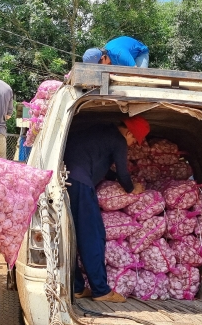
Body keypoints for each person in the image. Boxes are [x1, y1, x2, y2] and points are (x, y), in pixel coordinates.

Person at [62, 115, 151, 302]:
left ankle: (77, 287)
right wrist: (132, 188)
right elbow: (123, 173)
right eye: (134, 139)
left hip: (65, 180)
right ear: (128, 132)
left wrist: (116, 178)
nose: (133, 143)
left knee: (70, 236)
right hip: (80, 184)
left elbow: (104, 168)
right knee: (92, 236)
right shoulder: (118, 140)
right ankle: (101, 291)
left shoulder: (101, 130)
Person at [82, 36, 149, 68]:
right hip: (122, 57)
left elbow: (135, 70)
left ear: (103, 57)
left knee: (140, 77)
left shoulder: (120, 54)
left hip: (140, 53)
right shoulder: (107, 56)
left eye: (99, 66)